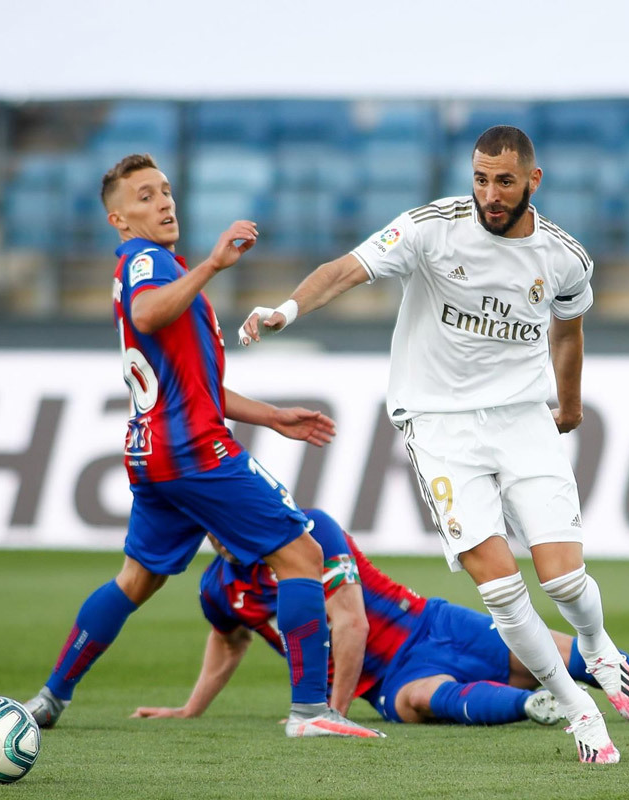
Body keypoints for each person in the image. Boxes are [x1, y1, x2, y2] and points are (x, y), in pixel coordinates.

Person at [239, 126, 629, 764]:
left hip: (520, 420)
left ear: (533, 181)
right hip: (438, 425)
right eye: (480, 178)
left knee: (563, 581)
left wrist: (567, 403)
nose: (489, 193)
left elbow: (569, 329)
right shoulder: (431, 228)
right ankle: (577, 707)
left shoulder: (565, 256)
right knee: (502, 590)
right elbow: (346, 269)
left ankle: (595, 643)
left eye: (504, 180)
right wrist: (285, 310)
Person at [22, 154, 375, 740]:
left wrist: (272, 416)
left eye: (165, 191)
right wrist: (212, 264)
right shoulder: (147, 263)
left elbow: (196, 384)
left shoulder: (157, 267)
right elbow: (146, 312)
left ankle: (50, 697)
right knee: (303, 558)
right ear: (119, 219)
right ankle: (311, 713)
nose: (163, 203)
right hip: (193, 451)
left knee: (135, 580)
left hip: (153, 451)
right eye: (144, 196)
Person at [130, 508, 629, 729]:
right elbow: (227, 642)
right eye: (213, 523)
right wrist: (191, 709)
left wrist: (330, 716)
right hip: (389, 682)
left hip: (429, 626)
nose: (223, 531)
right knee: (423, 698)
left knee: (551, 650)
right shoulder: (221, 588)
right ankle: (535, 707)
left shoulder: (312, 533)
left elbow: (352, 626)